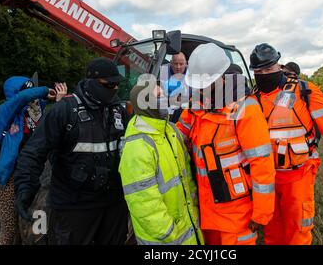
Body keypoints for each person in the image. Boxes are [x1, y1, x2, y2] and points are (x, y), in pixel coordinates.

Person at [14, 57, 129, 245]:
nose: (115, 89)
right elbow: (34, 152)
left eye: (117, 84)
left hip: (113, 204)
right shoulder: (64, 111)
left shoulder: (119, 111)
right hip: (74, 205)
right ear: (92, 83)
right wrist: (25, 187)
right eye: (110, 84)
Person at [176, 43, 276, 245]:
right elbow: (178, 134)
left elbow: (262, 163)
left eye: (205, 84)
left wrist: (262, 212)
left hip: (237, 212)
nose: (200, 89)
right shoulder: (197, 105)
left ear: (222, 77)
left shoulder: (245, 108)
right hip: (206, 207)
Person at [249, 43, 323, 245]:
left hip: (298, 174)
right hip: (266, 177)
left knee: (298, 228)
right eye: (259, 71)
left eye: (268, 69)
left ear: (279, 66)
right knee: (273, 229)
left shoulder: (304, 91)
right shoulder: (251, 98)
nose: (264, 74)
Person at [118, 81, 203, 245]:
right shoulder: (137, 146)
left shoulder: (171, 130)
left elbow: (187, 179)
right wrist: (167, 231)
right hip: (165, 238)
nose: (165, 99)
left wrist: (194, 211)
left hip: (188, 227)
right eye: (158, 96)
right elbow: (143, 202)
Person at [0, 77, 64, 245]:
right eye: (27, 91)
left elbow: (55, 114)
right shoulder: (6, 110)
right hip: (10, 177)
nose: (33, 98)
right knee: (9, 233)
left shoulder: (36, 111)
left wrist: (57, 99)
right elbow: (22, 98)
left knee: (30, 229)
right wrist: (45, 91)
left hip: (34, 174)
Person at [160, 52, 190, 122]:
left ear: (186, 63)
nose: (178, 67)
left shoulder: (192, 74)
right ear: (171, 62)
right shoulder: (162, 70)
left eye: (181, 64)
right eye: (175, 63)